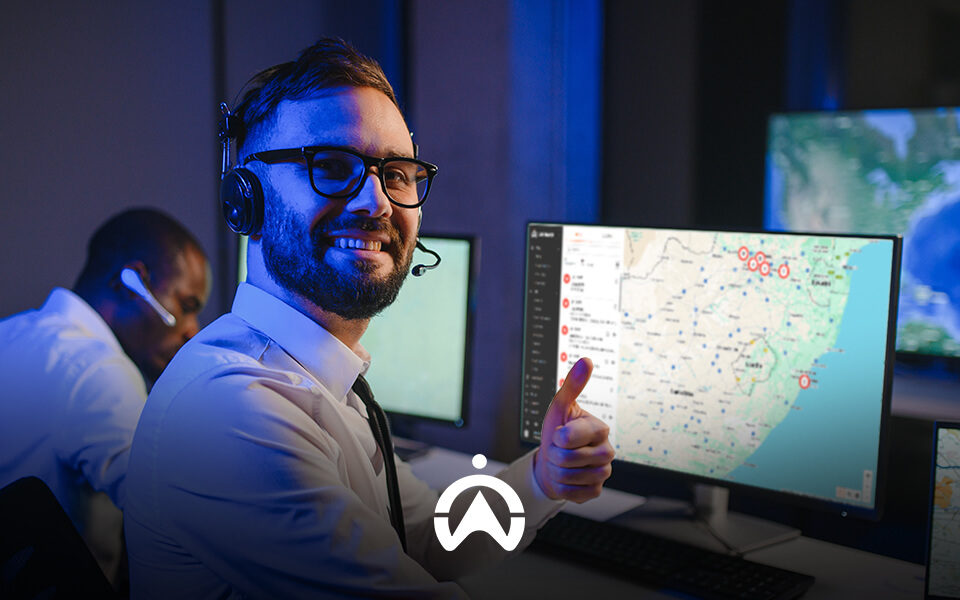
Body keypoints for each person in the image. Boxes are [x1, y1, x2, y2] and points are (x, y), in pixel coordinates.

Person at [124, 38, 614, 599]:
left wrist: (541, 478)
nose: (376, 203)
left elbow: (431, 540)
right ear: (246, 200)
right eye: (332, 166)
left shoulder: (322, 379)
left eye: (397, 173)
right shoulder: (229, 411)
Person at [0, 208, 211, 587]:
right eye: (186, 306)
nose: (192, 332)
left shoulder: (10, 333)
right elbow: (179, 517)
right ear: (130, 281)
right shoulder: (97, 369)